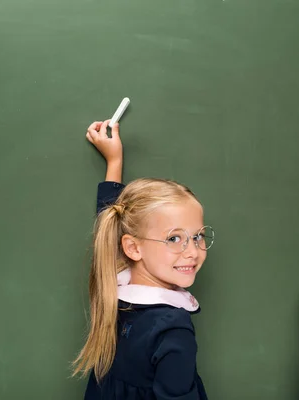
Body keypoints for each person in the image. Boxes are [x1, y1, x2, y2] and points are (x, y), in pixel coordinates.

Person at [74, 120, 212, 400]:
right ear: (133, 248)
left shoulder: (114, 288)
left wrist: (114, 162)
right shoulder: (173, 328)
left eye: (198, 236)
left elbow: (110, 223)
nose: (193, 251)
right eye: (174, 238)